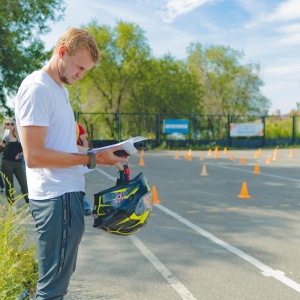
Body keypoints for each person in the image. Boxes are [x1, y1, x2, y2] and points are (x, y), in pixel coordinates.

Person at [15, 28, 127, 300]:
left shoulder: (59, 91)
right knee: (52, 289)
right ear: (62, 52)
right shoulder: (37, 88)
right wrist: (91, 158)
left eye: (86, 70)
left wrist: (106, 152)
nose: (81, 75)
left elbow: (64, 148)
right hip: (55, 198)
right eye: (79, 67)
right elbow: (35, 155)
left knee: (59, 280)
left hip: (67, 195)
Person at [0, 118, 28, 205]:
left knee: (24, 184)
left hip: (18, 163)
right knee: (9, 186)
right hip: (7, 163)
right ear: (4, 125)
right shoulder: (2, 137)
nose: (10, 126)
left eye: (12, 124)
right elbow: (2, 151)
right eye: (7, 124)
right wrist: (3, 142)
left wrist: (19, 155)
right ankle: (12, 205)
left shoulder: (18, 136)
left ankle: (28, 203)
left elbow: (23, 150)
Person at [75, 122, 92, 215]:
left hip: (77, 154)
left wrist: (85, 155)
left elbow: (85, 141)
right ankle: (85, 206)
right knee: (76, 181)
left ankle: (86, 206)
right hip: (69, 155)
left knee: (77, 181)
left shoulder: (76, 126)